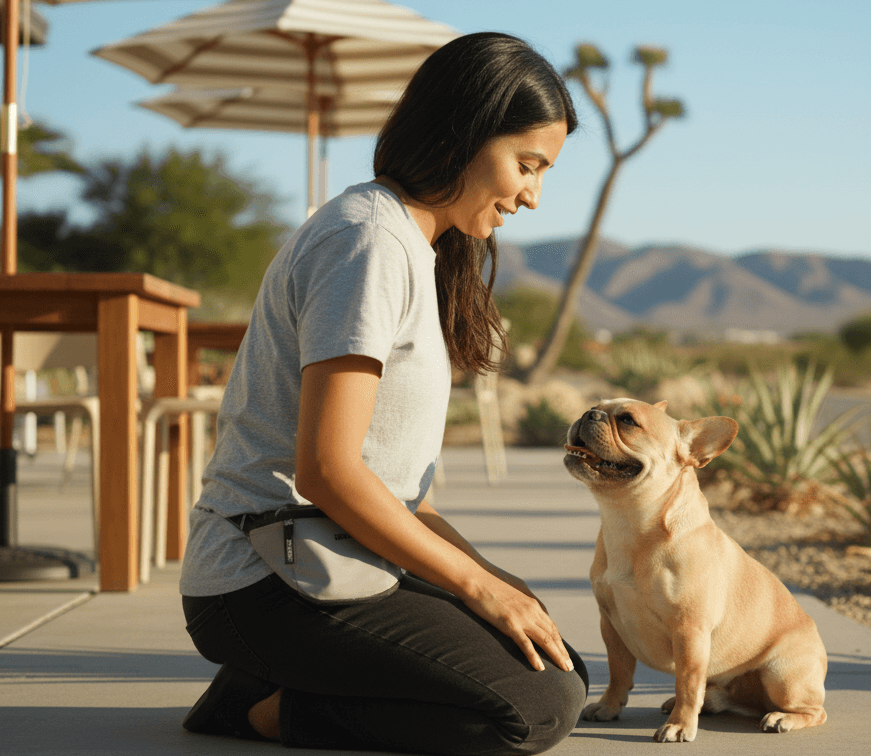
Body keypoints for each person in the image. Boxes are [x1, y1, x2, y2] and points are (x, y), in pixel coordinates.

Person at [177, 32, 587, 755]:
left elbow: (407, 497)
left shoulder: (414, 250)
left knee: (553, 659)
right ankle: (265, 710)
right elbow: (327, 473)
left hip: (340, 552)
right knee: (537, 706)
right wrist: (477, 589)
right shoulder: (366, 243)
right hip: (262, 576)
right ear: (464, 132)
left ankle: (279, 687)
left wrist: (494, 584)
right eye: (527, 165)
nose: (533, 194)